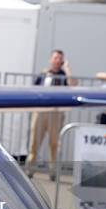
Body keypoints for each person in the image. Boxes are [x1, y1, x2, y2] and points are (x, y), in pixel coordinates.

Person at [26, 50, 74, 180]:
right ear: (51, 59)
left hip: (56, 113)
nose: (58, 61)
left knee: (54, 143)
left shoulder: (64, 75)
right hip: (41, 112)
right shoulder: (42, 74)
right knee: (34, 142)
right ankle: (30, 169)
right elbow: (33, 89)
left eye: (60, 59)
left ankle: (53, 172)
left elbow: (73, 86)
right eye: (56, 58)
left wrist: (67, 69)